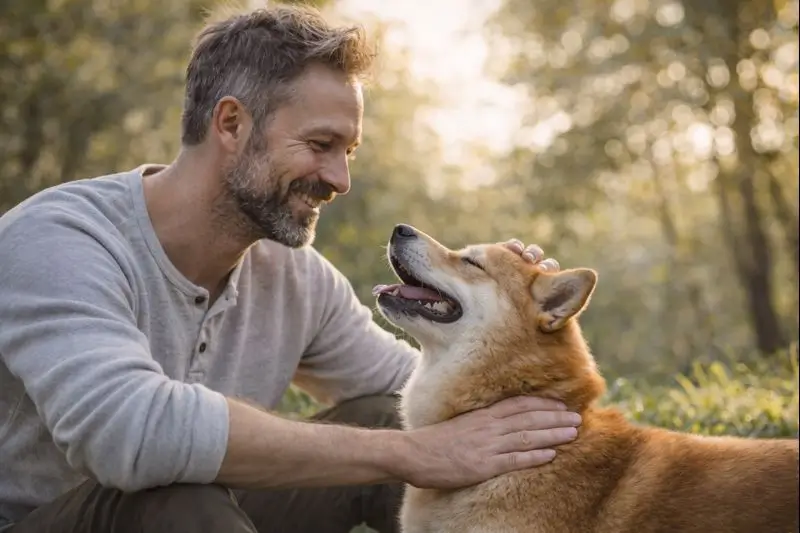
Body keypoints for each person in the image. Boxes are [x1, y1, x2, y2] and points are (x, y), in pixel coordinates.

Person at [0, 5, 582, 533]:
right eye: (320, 144)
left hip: (210, 508)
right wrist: (414, 454)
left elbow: (411, 384)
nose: (339, 180)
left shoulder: (292, 275)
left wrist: (515, 321)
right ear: (231, 124)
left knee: (390, 418)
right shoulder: (59, 240)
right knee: (178, 501)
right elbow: (131, 432)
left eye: (347, 152)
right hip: (63, 520)